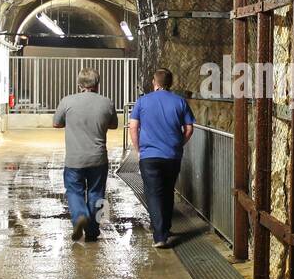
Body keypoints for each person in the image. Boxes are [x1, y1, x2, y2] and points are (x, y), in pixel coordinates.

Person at [128, 68, 194, 248]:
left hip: (149, 155)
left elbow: (133, 127)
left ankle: (160, 236)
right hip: (172, 156)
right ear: (170, 83)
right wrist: (179, 144)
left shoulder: (142, 101)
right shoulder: (180, 101)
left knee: (154, 194)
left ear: (154, 82)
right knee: (167, 191)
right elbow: (189, 128)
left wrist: (138, 149)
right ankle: (165, 227)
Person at [52, 68, 119, 242]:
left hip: (74, 159)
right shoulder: (107, 102)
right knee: (97, 193)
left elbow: (56, 124)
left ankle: (80, 216)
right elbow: (113, 125)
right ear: (97, 84)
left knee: (74, 191)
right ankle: (92, 231)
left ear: (79, 84)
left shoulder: (67, 101)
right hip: (98, 158)